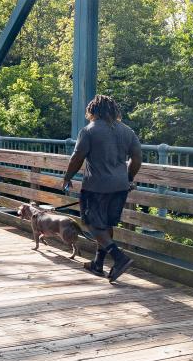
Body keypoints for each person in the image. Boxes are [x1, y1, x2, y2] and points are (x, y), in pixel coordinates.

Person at [60, 94, 142, 282]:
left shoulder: (89, 130)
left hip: (96, 187)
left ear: (92, 111)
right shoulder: (127, 131)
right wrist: (128, 177)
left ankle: (119, 258)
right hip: (120, 187)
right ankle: (98, 264)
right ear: (114, 110)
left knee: (91, 223)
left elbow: (77, 157)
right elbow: (137, 158)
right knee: (106, 225)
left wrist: (67, 177)